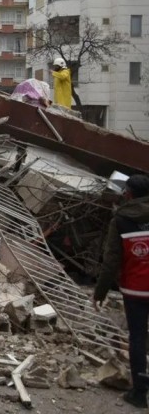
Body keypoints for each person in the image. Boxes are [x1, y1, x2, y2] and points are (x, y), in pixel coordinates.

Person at [94, 174, 149, 408]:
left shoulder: (121, 220)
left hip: (136, 289)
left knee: (138, 337)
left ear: (128, 194)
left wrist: (100, 292)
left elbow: (111, 262)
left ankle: (139, 393)